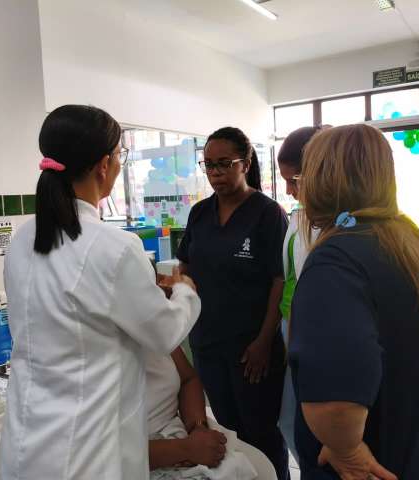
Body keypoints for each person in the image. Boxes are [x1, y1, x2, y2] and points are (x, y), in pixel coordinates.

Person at [289, 124, 419, 480]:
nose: (296, 188)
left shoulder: (335, 263)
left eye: (302, 176)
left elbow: (334, 406)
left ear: (321, 181)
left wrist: (347, 450)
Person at [0, 105, 201, 479]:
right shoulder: (115, 247)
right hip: (88, 453)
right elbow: (164, 334)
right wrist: (185, 293)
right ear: (104, 165)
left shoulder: (22, 238)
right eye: (120, 155)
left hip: (27, 445)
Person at [177, 126, 290, 480]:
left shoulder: (268, 214)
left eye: (225, 164)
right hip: (208, 344)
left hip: (252, 350)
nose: (216, 173)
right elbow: (185, 265)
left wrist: (264, 341)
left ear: (246, 164)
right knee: (227, 429)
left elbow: (279, 280)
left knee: (261, 431)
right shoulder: (199, 213)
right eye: (209, 165)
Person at [276, 126, 326, 461]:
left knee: (309, 425)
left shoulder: (340, 225)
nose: (289, 191)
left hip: (314, 334)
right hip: (290, 326)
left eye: (295, 181)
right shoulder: (301, 216)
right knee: (289, 421)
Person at [146, 347, 258, 480]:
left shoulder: (159, 338)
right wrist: (185, 449)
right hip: (140, 461)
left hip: (183, 437)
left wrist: (198, 428)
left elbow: (188, 379)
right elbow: (123, 454)